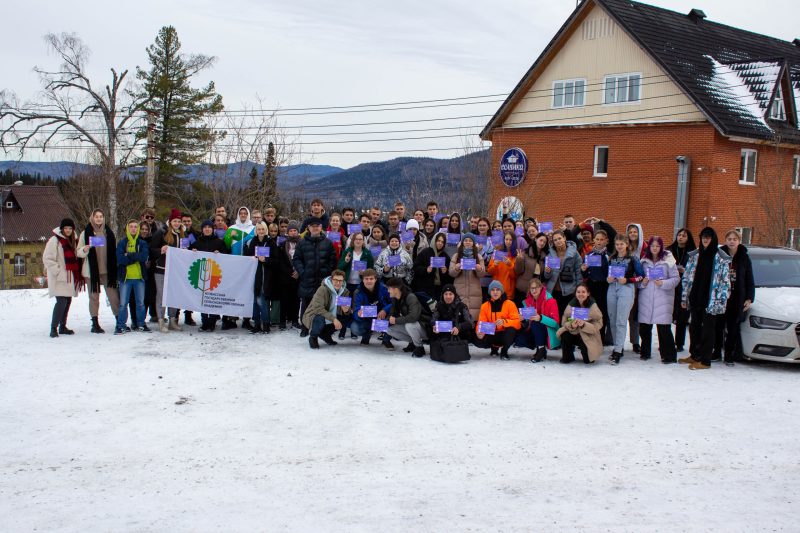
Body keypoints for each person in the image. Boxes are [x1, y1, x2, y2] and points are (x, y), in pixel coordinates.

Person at [680, 227, 731, 370]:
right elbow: (687, 277)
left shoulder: (720, 257)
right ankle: (695, 355)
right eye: (703, 237)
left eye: (708, 237)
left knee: (708, 330)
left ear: (713, 238)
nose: (705, 239)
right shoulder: (695, 255)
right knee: (694, 328)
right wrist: (685, 297)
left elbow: (725, 282)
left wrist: (720, 301)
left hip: (711, 300)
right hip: (695, 297)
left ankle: (705, 360)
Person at [713, 230, 754, 366]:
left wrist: (749, 298)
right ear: (725, 240)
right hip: (721, 296)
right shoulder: (719, 255)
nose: (731, 241)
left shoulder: (744, 257)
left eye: (734, 239)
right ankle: (717, 352)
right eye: (729, 238)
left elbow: (749, 278)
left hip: (737, 298)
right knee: (718, 327)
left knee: (733, 328)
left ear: (739, 241)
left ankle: (729, 355)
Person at [76, 209, 119, 334]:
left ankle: (118, 320)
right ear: (92, 218)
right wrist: (85, 249)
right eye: (96, 217)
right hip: (92, 271)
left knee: (113, 296)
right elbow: (78, 252)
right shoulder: (86, 233)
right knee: (94, 297)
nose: (99, 219)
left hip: (107, 270)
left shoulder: (108, 232)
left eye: (101, 216)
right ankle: (95, 323)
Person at [293, 216, 337, 337]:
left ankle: (321, 328)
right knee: (306, 304)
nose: (315, 228)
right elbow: (296, 259)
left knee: (323, 304)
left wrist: (328, 272)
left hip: (322, 280)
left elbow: (332, 259)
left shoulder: (328, 243)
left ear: (321, 227)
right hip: (307, 278)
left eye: (317, 226)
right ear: (309, 228)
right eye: (313, 226)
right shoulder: (302, 243)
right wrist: (302, 272)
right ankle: (305, 327)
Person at [638, 236, 680, 363]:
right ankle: (645, 352)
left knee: (663, 329)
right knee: (645, 328)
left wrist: (663, 283)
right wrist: (643, 283)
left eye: (657, 246)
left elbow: (676, 279)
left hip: (663, 298)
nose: (654, 248)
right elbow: (637, 280)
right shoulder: (643, 261)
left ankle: (669, 355)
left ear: (661, 247)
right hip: (646, 298)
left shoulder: (669, 260)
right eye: (652, 246)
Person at [606, 234, 644, 364]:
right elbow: (608, 273)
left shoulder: (633, 259)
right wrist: (608, 279)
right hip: (612, 287)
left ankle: (617, 350)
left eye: (621, 244)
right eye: (617, 244)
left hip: (626, 288)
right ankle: (619, 346)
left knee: (621, 320)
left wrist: (628, 279)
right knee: (612, 319)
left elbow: (641, 276)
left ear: (627, 244)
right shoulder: (611, 258)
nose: (619, 246)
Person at [43, 218, 85, 337]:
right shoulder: (54, 240)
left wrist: (84, 250)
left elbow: (77, 253)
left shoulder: (73, 240)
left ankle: (62, 326)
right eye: (66, 228)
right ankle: (53, 328)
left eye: (70, 228)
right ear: (62, 229)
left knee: (67, 301)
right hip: (59, 277)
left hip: (70, 276)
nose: (68, 230)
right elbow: (47, 258)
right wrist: (58, 271)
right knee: (61, 302)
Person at [150, 208, 185, 333]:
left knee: (174, 295)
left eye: (178, 221)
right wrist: (160, 250)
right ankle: (161, 320)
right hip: (161, 269)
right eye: (174, 221)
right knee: (161, 295)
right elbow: (151, 249)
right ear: (170, 222)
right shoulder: (162, 232)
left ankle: (172, 320)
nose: (176, 223)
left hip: (175, 271)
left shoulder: (182, 235)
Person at [114, 219, 151, 335]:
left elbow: (144, 257)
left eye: (135, 227)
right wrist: (135, 257)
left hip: (139, 277)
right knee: (123, 303)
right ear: (127, 228)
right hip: (125, 278)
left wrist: (129, 255)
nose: (133, 229)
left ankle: (141, 323)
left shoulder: (142, 243)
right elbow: (120, 259)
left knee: (140, 303)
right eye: (131, 227)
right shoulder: (122, 243)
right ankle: (120, 325)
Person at [190, 220, 228, 331]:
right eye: (205, 227)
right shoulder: (197, 243)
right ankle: (204, 322)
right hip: (201, 276)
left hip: (215, 276)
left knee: (212, 300)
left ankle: (212, 322)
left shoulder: (219, 243)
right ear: (202, 229)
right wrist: (192, 252)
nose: (207, 229)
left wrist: (220, 255)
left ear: (213, 229)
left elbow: (227, 257)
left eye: (209, 227)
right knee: (202, 300)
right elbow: (188, 257)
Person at [302, 269, 352, 349]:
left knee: (347, 318)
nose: (338, 283)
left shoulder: (345, 291)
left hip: (332, 316)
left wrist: (346, 311)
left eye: (340, 280)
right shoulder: (322, 289)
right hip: (314, 314)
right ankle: (313, 337)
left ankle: (325, 335)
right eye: (336, 280)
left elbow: (347, 309)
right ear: (332, 279)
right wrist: (334, 319)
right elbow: (318, 308)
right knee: (319, 318)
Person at [244, 222, 280, 334]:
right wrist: (252, 257)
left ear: (266, 230)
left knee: (263, 301)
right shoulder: (252, 242)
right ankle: (256, 324)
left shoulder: (271, 243)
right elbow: (247, 257)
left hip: (266, 276)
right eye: (259, 229)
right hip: (254, 275)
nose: (261, 231)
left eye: (263, 229)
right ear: (256, 230)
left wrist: (266, 260)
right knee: (255, 301)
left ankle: (266, 324)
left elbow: (276, 261)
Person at [557, 283, 603, 364]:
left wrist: (584, 325)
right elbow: (564, 322)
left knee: (588, 361)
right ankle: (568, 356)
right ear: (575, 293)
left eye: (583, 292)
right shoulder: (570, 306)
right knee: (564, 334)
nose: (580, 294)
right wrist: (571, 325)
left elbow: (598, 325)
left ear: (588, 293)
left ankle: (587, 354)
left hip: (588, 335)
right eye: (578, 292)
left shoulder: (593, 307)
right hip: (574, 332)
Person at [516, 278, 560, 363]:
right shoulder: (527, 302)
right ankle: (540, 348)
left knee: (536, 323)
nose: (534, 290)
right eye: (532, 288)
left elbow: (555, 323)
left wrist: (541, 318)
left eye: (536, 287)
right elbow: (527, 321)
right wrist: (523, 319)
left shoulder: (551, 301)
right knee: (519, 340)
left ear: (541, 287)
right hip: (534, 330)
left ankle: (541, 350)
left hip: (548, 331)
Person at [475, 280, 521, 360]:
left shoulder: (510, 304)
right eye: (493, 290)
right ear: (489, 292)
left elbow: (517, 323)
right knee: (476, 337)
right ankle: (494, 348)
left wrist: (504, 322)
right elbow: (481, 322)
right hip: (492, 334)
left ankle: (504, 351)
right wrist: (478, 331)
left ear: (502, 291)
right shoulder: (485, 306)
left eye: (498, 290)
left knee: (511, 330)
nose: (495, 292)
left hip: (505, 334)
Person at [667, 228, 696, 352]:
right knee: (667, 314)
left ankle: (679, 343)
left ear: (688, 238)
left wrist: (686, 271)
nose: (681, 237)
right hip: (671, 285)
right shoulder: (669, 250)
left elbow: (696, 268)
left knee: (682, 317)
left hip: (686, 287)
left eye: (684, 236)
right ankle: (667, 341)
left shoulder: (693, 252)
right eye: (679, 235)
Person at [384, 276, 429, 357]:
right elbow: (392, 314)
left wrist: (396, 320)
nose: (388, 291)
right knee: (388, 329)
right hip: (414, 327)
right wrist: (382, 323)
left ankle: (419, 347)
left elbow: (413, 317)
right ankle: (413, 343)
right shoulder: (395, 298)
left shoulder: (411, 297)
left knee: (410, 325)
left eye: (389, 288)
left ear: (396, 289)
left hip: (424, 327)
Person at [581, 229, 611, 345]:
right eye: (597, 239)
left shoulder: (609, 255)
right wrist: (583, 269)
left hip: (604, 287)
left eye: (602, 239)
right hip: (591, 286)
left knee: (601, 313)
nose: (599, 242)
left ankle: (601, 339)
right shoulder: (589, 255)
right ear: (594, 240)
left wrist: (605, 259)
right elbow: (584, 274)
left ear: (606, 241)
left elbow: (610, 272)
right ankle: (588, 338)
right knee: (590, 312)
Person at [543, 230, 583, 318]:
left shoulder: (574, 253)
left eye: (559, 238)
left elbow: (578, 272)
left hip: (569, 292)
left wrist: (578, 290)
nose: (558, 241)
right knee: (556, 316)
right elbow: (546, 276)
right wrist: (547, 271)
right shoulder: (550, 255)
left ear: (564, 238)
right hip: (554, 292)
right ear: (553, 242)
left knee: (569, 317)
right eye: (555, 240)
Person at [448, 234, 487, 321]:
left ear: (473, 243)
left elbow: (482, 274)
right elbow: (451, 273)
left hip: (474, 292)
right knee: (460, 318)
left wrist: (479, 269)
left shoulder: (478, 257)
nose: (468, 242)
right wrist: (456, 268)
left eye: (470, 240)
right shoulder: (456, 256)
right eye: (466, 240)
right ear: (462, 243)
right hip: (459, 290)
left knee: (474, 317)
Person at [351, 269, 392, 346]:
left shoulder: (384, 288)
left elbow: (393, 303)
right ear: (362, 280)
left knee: (393, 317)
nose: (369, 281)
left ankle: (386, 339)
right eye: (366, 279)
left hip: (383, 317)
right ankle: (366, 336)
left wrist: (385, 310)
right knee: (355, 328)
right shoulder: (358, 292)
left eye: (371, 279)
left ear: (375, 279)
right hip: (368, 319)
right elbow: (356, 310)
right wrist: (359, 314)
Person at [413, 232, 451, 300]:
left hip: (439, 289)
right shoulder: (425, 252)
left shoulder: (445, 256)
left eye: (442, 242)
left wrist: (445, 272)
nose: (440, 243)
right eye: (438, 241)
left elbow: (449, 278)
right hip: (425, 287)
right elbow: (416, 267)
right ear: (434, 241)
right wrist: (426, 270)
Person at [280, 221, 302, 330]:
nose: (293, 233)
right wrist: (290, 272)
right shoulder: (283, 244)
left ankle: (294, 320)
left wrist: (298, 272)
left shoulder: (302, 244)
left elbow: (304, 259)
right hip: (286, 277)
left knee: (296, 300)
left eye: (295, 231)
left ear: (298, 232)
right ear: (288, 232)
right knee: (284, 300)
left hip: (298, 277)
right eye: (291, 231)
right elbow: (281, 262)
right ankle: (282, 321)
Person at [338, 231, 376, 296]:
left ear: (363, 241)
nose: (358, 241)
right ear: (353, 240)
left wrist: (364, 273)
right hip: (347, 283)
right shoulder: (347, 251)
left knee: (358, 303)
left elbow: (371, 269)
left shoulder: (367, 253)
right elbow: (339, 268)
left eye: (360, 239)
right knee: (346, 305)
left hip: (361, 283)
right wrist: (346, 262)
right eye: (356, 239)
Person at [487, 231, 518, 301]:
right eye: (506, 239)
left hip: (508, 292)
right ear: (504, 240)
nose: (508, 242)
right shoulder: (497, 253)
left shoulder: (515, 256)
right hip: (495, 290)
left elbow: (514, 276)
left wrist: (510, 265)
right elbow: (489, 271)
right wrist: (494, 265)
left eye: (511, 240)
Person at [514, 232, 542, 305]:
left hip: (536, 292)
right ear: (536, 239)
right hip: (522, 289)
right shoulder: (525, 254)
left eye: (544, 242)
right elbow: (518, 271)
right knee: (521, 313)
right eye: (541, 240)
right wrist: (519, 260)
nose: (542, 243)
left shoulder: (544, 257)